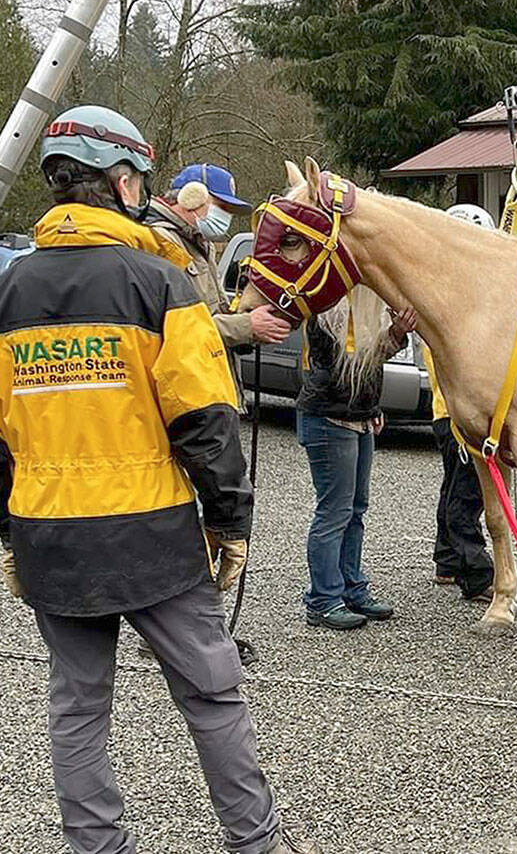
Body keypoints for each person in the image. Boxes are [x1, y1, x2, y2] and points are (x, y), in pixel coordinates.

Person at [0, 105, 319, 854]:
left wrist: (9, 531)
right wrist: (229, 521)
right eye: (139, 179)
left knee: (78, 707)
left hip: (50, 535)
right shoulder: (159, 283)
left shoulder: (7, 295)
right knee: (211, 694)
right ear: (120, 181)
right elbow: (206, 419)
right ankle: (256, 843)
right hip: (153, 534)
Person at [297, 282, 417, 629]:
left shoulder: (360, 305)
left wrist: (371, 404)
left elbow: (368, 360)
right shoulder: (327, 306)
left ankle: (351, 587)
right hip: (329, 416)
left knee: (354, 510)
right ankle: (323, 599)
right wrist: (391, 331)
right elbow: (348, 361)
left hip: (356, 415)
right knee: (335, 511)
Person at [147, 163, 292, 413]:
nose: (226, 216)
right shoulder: (159, 242)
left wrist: (250, 323)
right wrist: (246, 326)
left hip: (208, 391)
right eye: (221, 207)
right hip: (184, 399)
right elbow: (170, 329)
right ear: (191, 196)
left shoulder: (202, 245)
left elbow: (208, 316)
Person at [421, 203, 497, 601]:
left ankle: (448, 563)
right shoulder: (453, 301)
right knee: (466, 496)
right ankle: (476, 573)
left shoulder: (442, 291)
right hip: (457, 413)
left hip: (444, 411)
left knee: (453, 486)